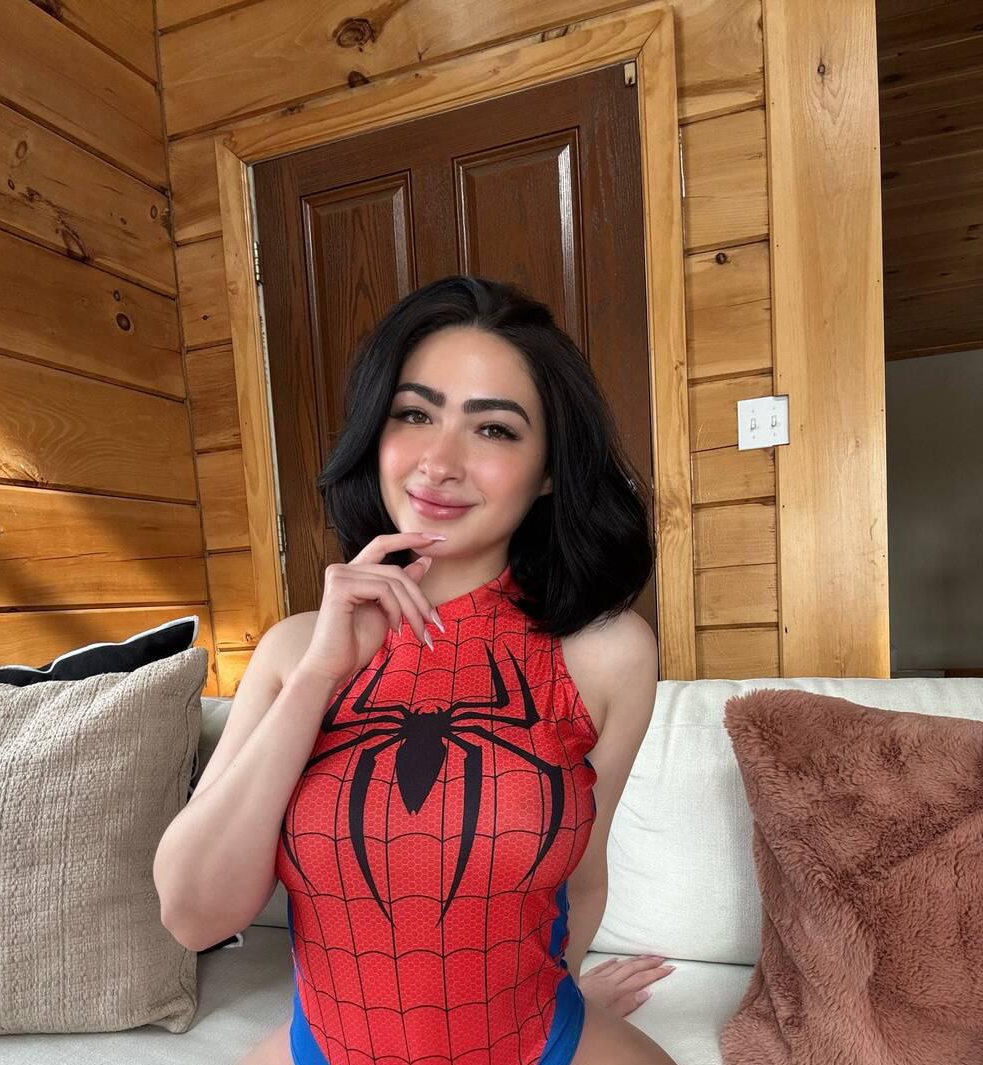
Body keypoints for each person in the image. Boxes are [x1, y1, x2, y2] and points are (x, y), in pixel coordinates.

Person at [154, 276, 677, 1065]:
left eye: (494, 429)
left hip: (545, 1043)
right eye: (413, 414)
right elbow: (193, 914)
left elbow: (581, 876)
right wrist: (320, 675)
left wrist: (560, 989)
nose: (438, 462)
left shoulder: (607, 653)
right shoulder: (294, 652)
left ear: (547, 471)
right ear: (377, 433)